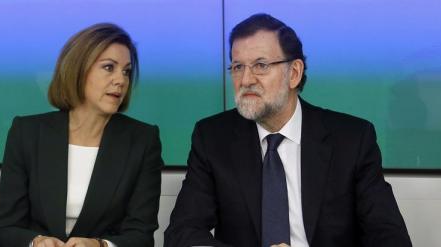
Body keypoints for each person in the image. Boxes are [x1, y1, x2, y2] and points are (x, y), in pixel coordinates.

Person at [165, 13, 412, 247]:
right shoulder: (212, 138)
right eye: (238, 67)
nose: (246, 79)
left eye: (260, 65)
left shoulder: (352, 139)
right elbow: (182, 233)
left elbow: (390, 237)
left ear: (294, 73)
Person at [0, 23, 163, 247]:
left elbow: (141, 236)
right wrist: (37, 242)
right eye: (109, 67)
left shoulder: (142, 140)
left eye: (126, 71)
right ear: (78, 68)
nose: (121, 80)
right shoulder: (27, 132)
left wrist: (100, 245)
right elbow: (6, 229)